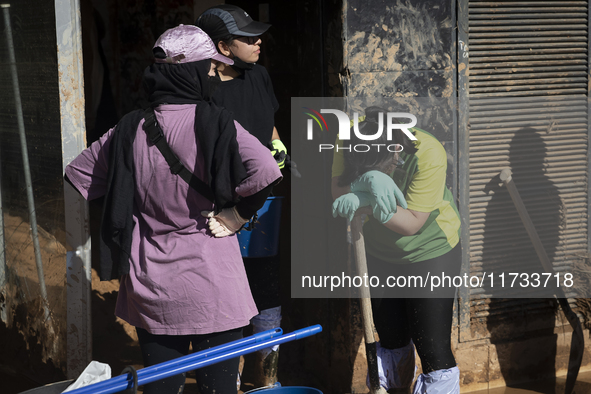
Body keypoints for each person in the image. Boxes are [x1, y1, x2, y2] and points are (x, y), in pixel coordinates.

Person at [64, 25, 282, 394]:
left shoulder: (128, 129)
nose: (214, 76)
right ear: (192, 72)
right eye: (210, 69)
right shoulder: (218, 121)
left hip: (152, 287)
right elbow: (267, 171)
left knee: (161, 389)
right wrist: (236, 215)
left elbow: (78, 176)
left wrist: (132, 202)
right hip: (214, 285)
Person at [331, 107, 461, 394]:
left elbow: (412, 223)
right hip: (378, 252)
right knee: (390, 338)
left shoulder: (427, 152)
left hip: (430, 249)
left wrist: (363, 203)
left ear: (396, 151)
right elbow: (338, 193)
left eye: (382, 166)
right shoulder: (349, 139)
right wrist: (364, 181)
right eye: (364, 169)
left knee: (432, 347)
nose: (375, 174)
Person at [196, 4, 287, 387]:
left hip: (264, 201)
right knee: (223, 294)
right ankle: (224, 381)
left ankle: (267, 380)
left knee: (266, 283)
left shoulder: (260, 75)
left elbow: (269, 125)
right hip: (219, 206)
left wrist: (278, 147)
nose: (258, 42)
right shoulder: (202, 88)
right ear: (223, 46)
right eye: (248, 38)